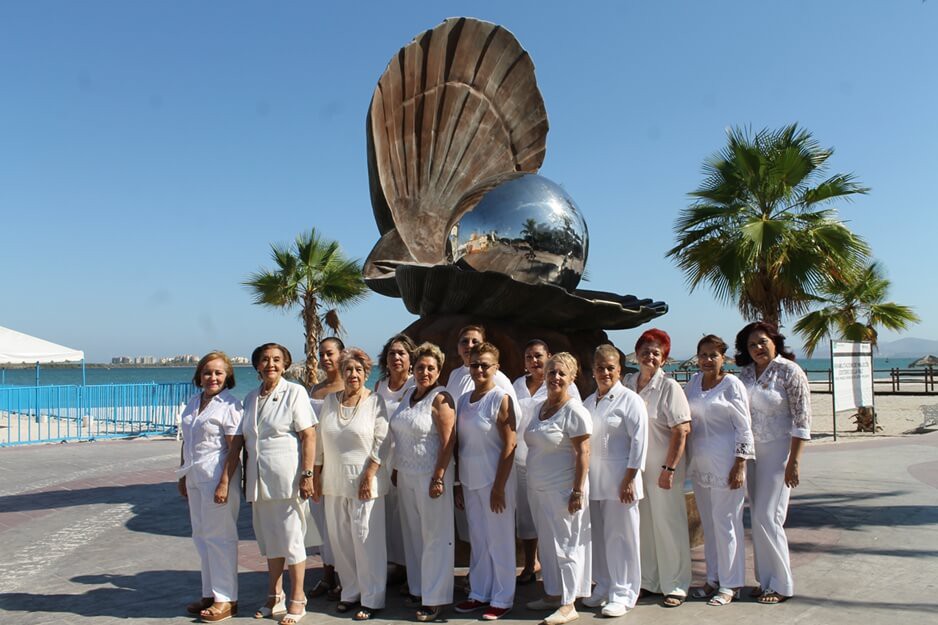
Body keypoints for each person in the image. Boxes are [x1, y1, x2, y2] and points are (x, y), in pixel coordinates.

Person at [240, 343, 320, 625]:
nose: (270, 364)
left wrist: (307, 475)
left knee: (292, 540)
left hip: (287, 480)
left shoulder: (294, 392)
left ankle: (298, 598)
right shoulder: (250, 398)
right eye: (264, 360)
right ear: (257, 366)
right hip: (259, 482)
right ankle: (274, 596)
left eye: (276, 359)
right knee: (269, 541)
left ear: (285, 364)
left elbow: (309, 435)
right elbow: (246, 441)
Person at [735, 321, 811, 605]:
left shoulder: (789, 372)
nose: (757, 348)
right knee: (756, 518)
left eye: (762, 342)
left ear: (775, 342)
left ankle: (781, 583)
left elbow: (802, 420)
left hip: (779, 453)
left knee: (770, 516)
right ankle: (764, 580)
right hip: (753, 453)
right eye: (751, 344)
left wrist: (795, 461)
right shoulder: (745, 374)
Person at [314, 348, 390, 621]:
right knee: (341, 540)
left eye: (358, 370)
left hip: (365, 481)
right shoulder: (330, 402)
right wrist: (315, 476)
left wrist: (370, 473)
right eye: (348, 370)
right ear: (342, 372)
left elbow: (383, 440)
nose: (353, 374)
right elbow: (320, 443)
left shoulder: (375, 401)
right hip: (333, 480)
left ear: (366, 373)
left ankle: (372, 598)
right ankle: (350, 592)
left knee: (366, 539)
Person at [387, 342, 457, 622]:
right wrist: (395, 470)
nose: (424, 372)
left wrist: (439, 476)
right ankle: (418, 588)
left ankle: (435, 597)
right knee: (413, 535)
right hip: (406, 475)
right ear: (413, 370)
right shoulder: (408, 395)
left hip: (431, 476)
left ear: (439, 371)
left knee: (435, 537)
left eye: (430, 368)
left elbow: (448, 441)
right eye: (420, 367)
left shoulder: (441, 398)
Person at [623, 328, 692, 607]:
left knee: (668, 524)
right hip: (636, 468)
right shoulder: (628, 382)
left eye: (657, 352)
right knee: (644, 525)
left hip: (664, 467)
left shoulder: (669, 387)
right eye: (646, 350)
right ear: (637, 352)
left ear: (663, 359)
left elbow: (682, 430)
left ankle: (675, 584)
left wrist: (670, 468)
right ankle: (649, 581)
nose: (650, 355)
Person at [684, 335, 755, 607]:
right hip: (700, 465)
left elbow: (743, 426)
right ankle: (712, 578)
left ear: (723, 357)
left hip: (726, 463)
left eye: (713, 354)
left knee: (727, 524)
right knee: (710, 525)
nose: (707, 359)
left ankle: (731, 583)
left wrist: (740, 463)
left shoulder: (731, 385)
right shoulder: (693, 383)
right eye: (703, 354)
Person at [524, 353, 591, 625]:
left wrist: (577, 491)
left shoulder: (574, 410)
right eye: (551, 372)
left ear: (572, 377)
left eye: (562, 373)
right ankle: (552, 593)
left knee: (566, 545)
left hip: (563, 489)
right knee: (548, 546)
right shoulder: (539, 407)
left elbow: (583, 453)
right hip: (538, 488)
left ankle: (568, 603)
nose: (555, 378)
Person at [453, 342, 518, 621]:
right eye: (475, 364)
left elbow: (510, 444)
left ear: (496, 368)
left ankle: (503, 597)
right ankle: (479, 592)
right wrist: (458, 482)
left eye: (485, 365)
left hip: (495, 483)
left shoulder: (501, 398)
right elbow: (459, 443)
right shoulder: (463, 399)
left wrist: (499, 487)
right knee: (479, 539)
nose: (479, 369)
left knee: (500, 540)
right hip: (470, 481)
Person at [178, 352, 243, 623]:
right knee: (202, 537)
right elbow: (187, 441)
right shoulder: (195, 403)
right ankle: (209, 592)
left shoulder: (230, 406)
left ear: (227, 376)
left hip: (217, 478)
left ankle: (226, 598)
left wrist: (225, 483)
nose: (212, 378)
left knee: (221, 539)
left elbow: (234, 447)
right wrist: (182, 475)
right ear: (199, 376)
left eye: (218, 373)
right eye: (207, 373)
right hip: (195, 477)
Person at [582, 345, 647, 617]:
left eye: (610, 367)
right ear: (593, 370)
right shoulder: (588, 402)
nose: (605, 372)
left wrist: (630, 478)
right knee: (597, 536)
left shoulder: (630, 400)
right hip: (594, 483)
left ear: (620, 369)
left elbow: (639, 442)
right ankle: (604, 585)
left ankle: (623, 592)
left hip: (622, 482)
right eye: (600, 367)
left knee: (622, 537)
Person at [512, 340, 581, 584]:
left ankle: (561, 584)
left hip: (557, 466)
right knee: (527, 517)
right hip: (523, 462)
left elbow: (579, 434)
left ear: (549, 357)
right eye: (529, 356)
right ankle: (532, 564)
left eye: (539, 356)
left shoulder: (563, 385)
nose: (534, 361)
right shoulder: (517, 385)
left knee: (557, 524)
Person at [374, 333, 417, 588]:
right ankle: (391, 564)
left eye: (401, 353)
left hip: (407, 459)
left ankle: (407, 566)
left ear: (410, 358)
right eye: (392, 353)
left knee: (406, 515)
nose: (397, 357)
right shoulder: (379, 386)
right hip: (382, 457)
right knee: (387, 514)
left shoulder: (416, 385)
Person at [307, 337, 345, 601]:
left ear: (342, 354)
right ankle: (327, 574)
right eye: (321, 354)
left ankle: (346, 575)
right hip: (317, 463)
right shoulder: (315, 390)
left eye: (330, 353)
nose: (325, 358)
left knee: (342, 522)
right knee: (322, 523)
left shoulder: (350, 384)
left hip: (342, 462)